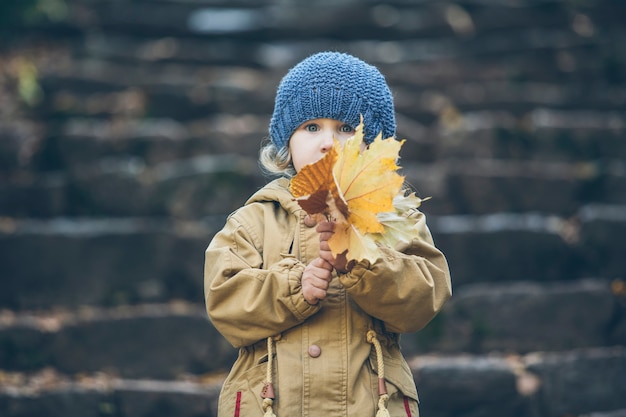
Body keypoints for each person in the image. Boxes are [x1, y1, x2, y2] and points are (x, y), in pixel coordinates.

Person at [204, 51, 452, 417]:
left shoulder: (394, 217)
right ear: (286, 144)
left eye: (347, 129)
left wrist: (362, 265)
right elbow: (224, 300)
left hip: (370, 402)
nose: (327, 142)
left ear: (375, 147)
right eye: (312, 127)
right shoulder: (253, 220)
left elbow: (423, 297)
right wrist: (294, 288)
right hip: (271, 404)